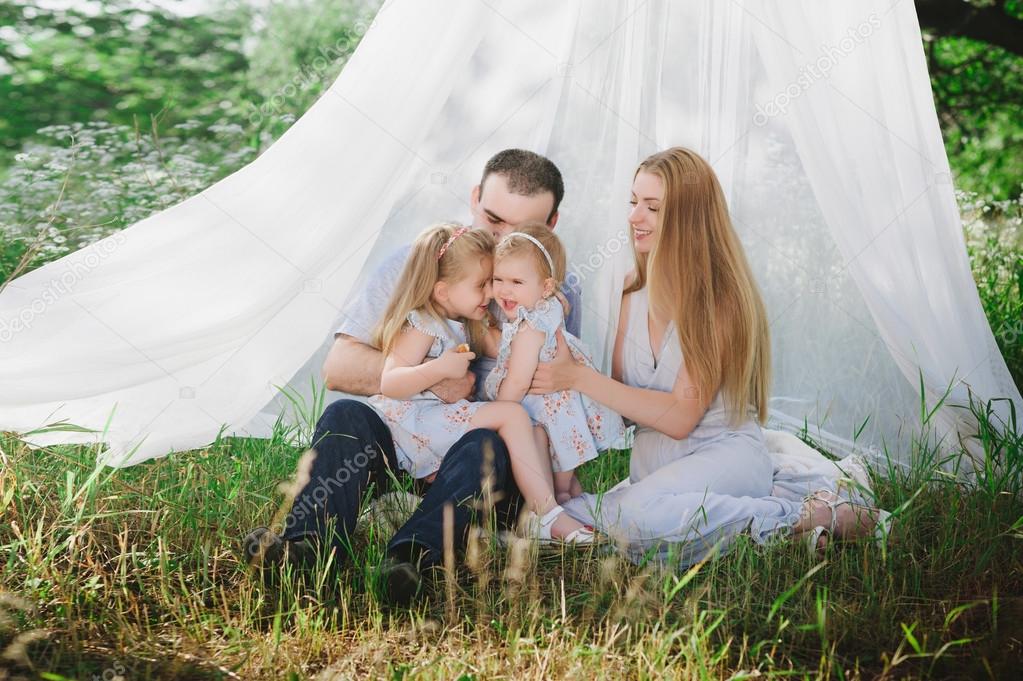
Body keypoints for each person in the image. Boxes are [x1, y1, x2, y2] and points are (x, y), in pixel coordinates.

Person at [244, 149, 578, 605]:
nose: (500, 240)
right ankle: (307, 547)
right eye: (493, 218)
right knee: (347, 415)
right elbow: (339, 369)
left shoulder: (548, 292)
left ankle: (411, 559)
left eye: (519, 232)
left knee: (487, 444)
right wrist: (433, 378)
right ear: (475, 197)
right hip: (406, 439)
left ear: (550, 225)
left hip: (482, 466)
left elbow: (551, 401)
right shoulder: (421, 263)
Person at [530, 147, 891, 564]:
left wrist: (578, 378)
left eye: (652, 207)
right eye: (633, 202)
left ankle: (807, 515)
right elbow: (623, 407)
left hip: (723, 454)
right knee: (564, 515)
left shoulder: (718, 299)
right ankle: (775, 533)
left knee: (628, 521)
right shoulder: (631, 290)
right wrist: (554, 362)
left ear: (687, 218)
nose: (633, 218)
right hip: (654, 467)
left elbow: (682, 418)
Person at [368, 222, 594, 543]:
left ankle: (543, 509)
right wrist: (440, 369)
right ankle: (547, 515)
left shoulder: (464, 324)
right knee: (512, 414)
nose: (491, 294)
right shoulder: (423, 324)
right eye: (483, 284)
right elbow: (389, 383)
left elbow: (511, 347)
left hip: (438, 422)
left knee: (535, 430)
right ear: (444, 291)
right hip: (414, 425)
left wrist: (542, 307)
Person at [484, 223, 625, 504]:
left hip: (547, 416)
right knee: (569, 485)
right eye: (498, 279)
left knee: (553, 482)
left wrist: (494, 413)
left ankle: (555, 516)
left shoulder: (530, 327)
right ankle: (579, 510)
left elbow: (518, 381)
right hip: (562, 412)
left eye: (517, 282)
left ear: (546, 286)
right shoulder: (548, 306)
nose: (504, 291)